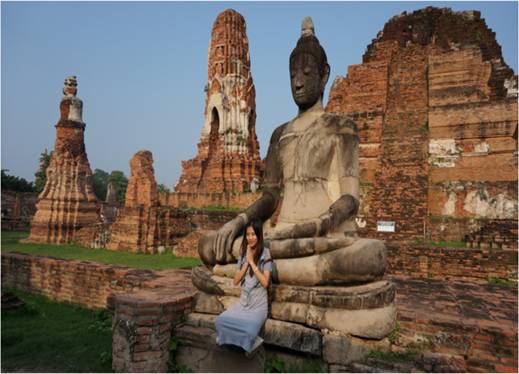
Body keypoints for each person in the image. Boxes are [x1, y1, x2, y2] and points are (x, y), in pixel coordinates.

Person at [214, 219, 272, 355]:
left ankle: (248, 340)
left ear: (259, 235)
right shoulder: (243, 253)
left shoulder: (266, 253)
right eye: (248, 235)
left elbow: (265, 282)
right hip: (243, 304)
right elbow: (235, 280)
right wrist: (246, 262)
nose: (250, 238)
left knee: (250, 329)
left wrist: (252, 263)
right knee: (220, 322)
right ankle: (247, 341)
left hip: (258, 307)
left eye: (253, 234)